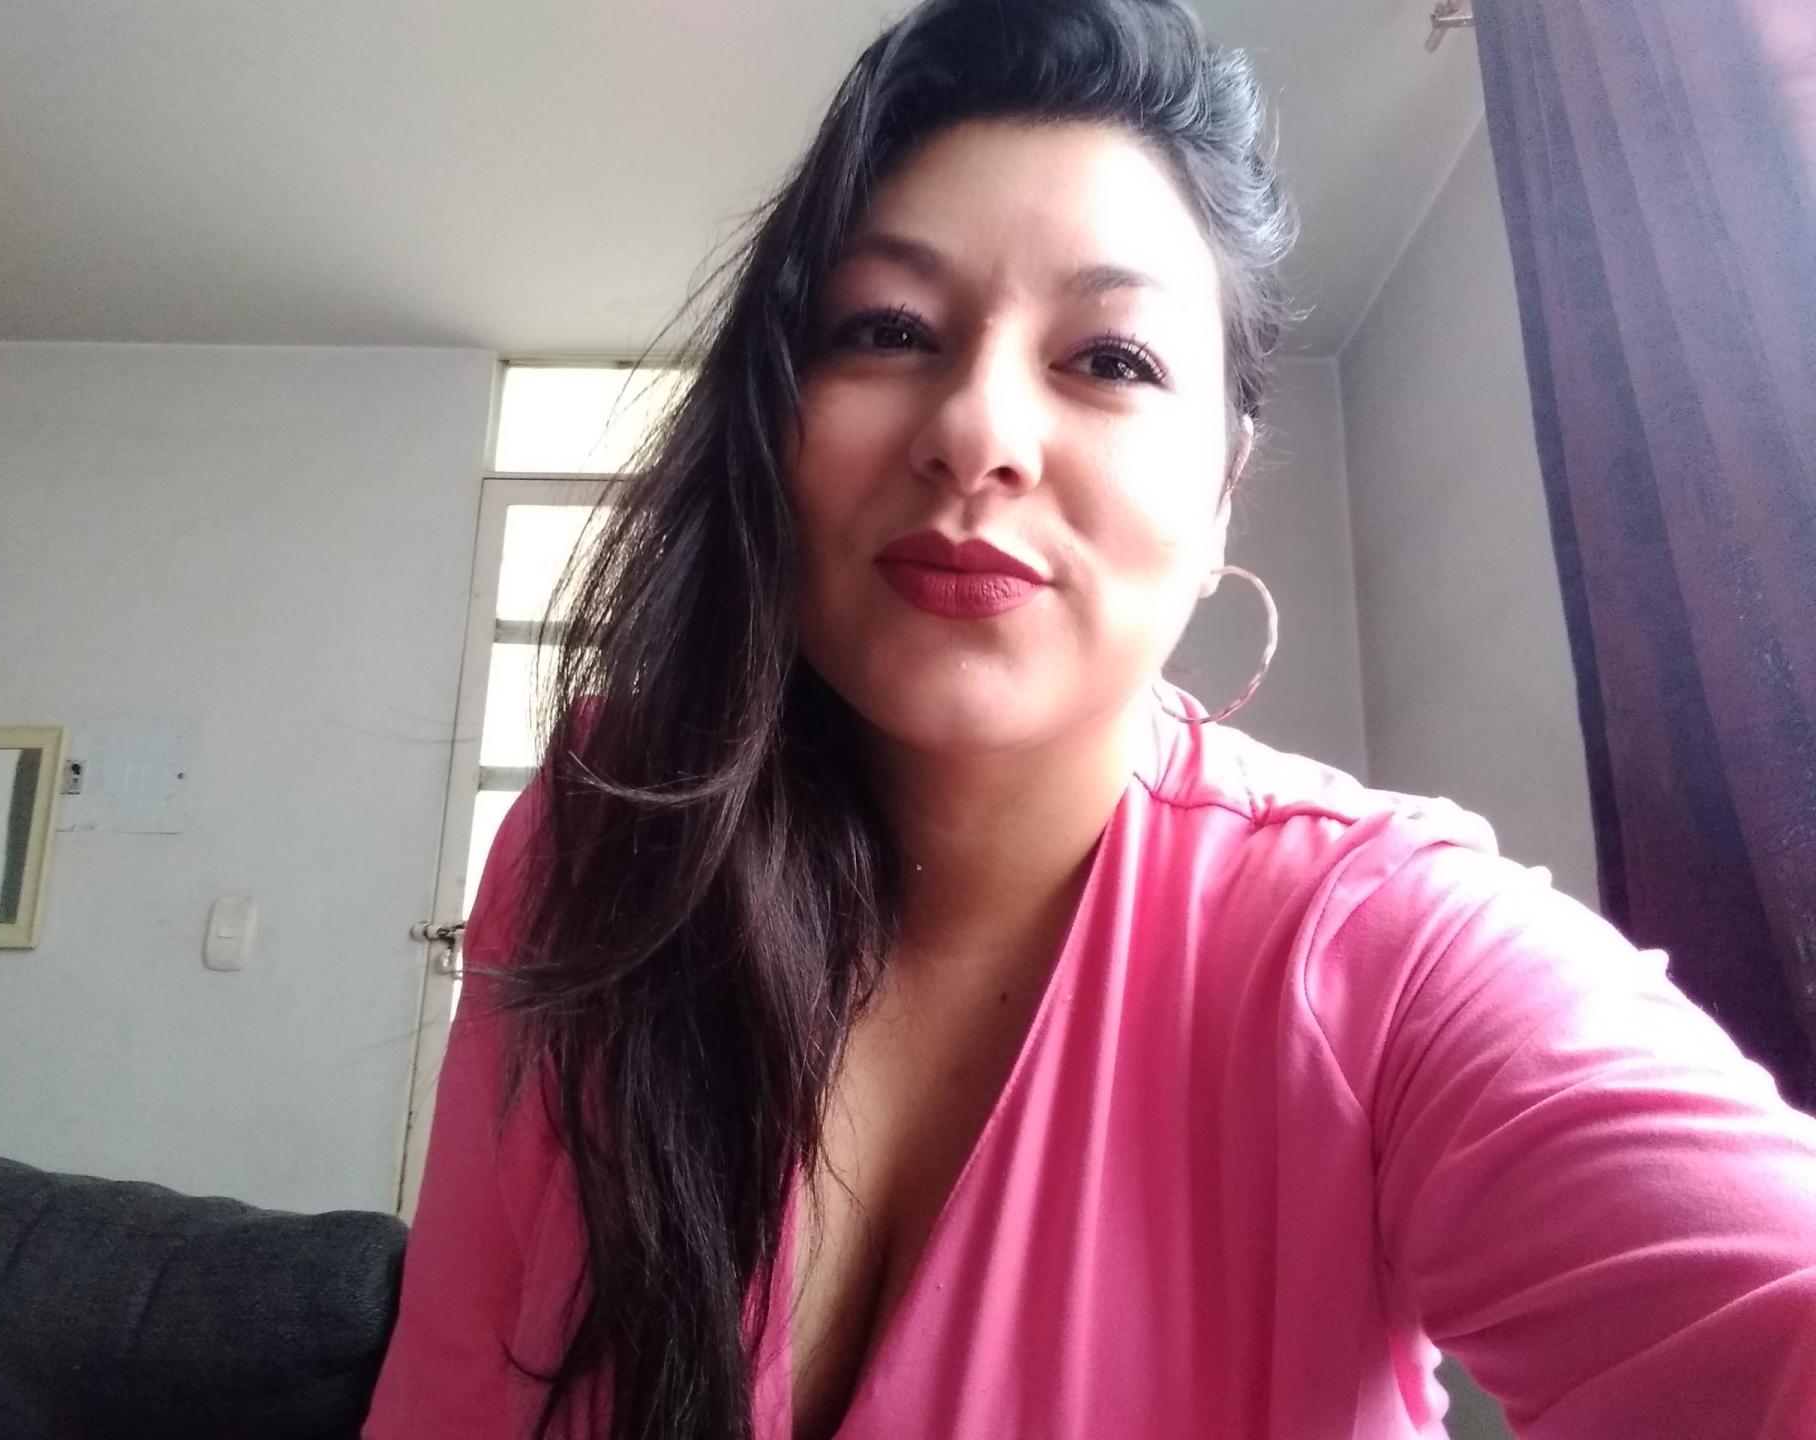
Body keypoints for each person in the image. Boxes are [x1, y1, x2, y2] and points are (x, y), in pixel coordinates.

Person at [364, 1, 1816, 1436]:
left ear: (1223, 491)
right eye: (886, 329)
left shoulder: (1391, 949)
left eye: (1110, 359)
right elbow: (448, 1395)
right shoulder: (608, 829)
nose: (977, 431)